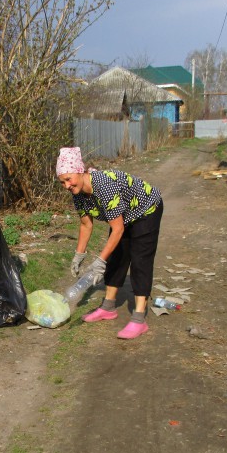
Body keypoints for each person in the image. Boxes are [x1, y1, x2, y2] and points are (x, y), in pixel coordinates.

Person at [56, 146, 164, 340]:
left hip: (146, 209)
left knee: (140, 260)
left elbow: (118, 229)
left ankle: (139, 319)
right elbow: (85, 224)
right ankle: (108, 307)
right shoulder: (78, 193)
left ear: (80, 171)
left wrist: (99, 261)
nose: (66, 186)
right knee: (116, 258)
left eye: (68, 179)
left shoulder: (104, 186)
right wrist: (78, 255)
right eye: (62, 182)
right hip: (125, 217)